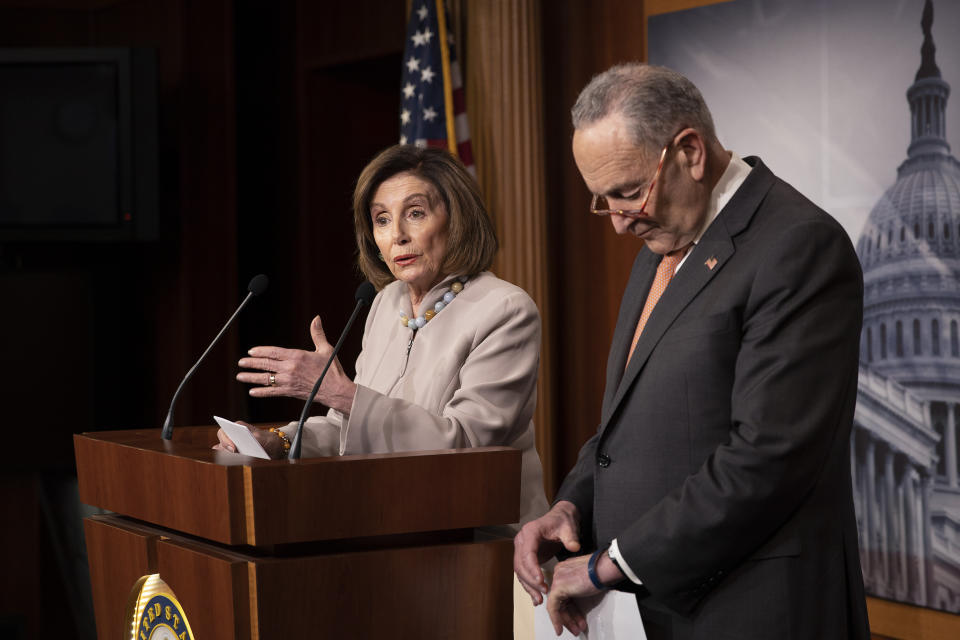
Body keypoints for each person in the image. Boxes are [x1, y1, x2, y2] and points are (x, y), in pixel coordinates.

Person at [514, 63, 870, 639]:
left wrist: (609, 567)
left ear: (689, 152)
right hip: (651, 612)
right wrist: (570, 507)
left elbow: (766, 458)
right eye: (603, 201)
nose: (618, 224)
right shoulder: (662, 241)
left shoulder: (800, 245)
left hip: (752, 612)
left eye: (627, 193)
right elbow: (630, 421)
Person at [213, 144, 548, 531]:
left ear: (457, 219)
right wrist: (281, 442)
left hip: (489, 546)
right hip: (394, 532)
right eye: (382, 220)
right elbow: (354, 426)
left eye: (416, 213)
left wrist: (339, 393)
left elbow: (468, 448)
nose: (397, 236)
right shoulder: (387, 304)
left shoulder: (504, 309)